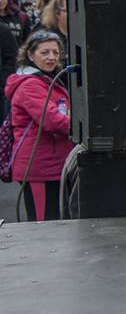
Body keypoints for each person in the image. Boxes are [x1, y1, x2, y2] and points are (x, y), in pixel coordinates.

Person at [7, 30, 74, 221]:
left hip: (52, 164)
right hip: (39, 167)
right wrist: (79, 125)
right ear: (30, 54)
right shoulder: (30, 85)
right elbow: (52, 120)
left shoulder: (47, 80)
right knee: (42, 225)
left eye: (55, 52)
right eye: (45, 52)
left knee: (56, 223)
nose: (51, 57)